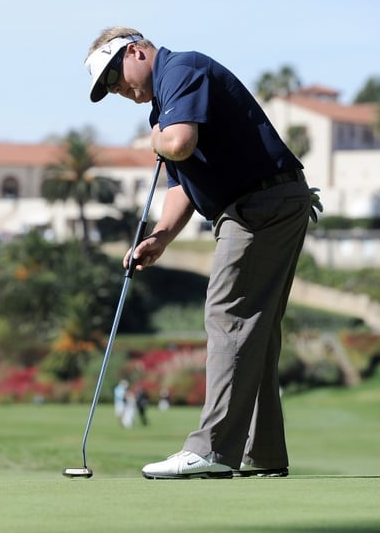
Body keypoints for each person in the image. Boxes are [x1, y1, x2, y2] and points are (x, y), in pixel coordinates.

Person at [84, 27, 321, 480]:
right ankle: (262, 452)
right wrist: (160, 238)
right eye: (109, 88)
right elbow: (183, 184)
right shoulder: (166, 102)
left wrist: (154, 138)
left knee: (227, 315)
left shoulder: (181, 70)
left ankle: (212, 450)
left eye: (115, 76)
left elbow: (177, 144)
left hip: (259, 205)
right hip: (265, 202)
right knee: (256, 331)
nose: (119, 90)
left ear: (135, 51)